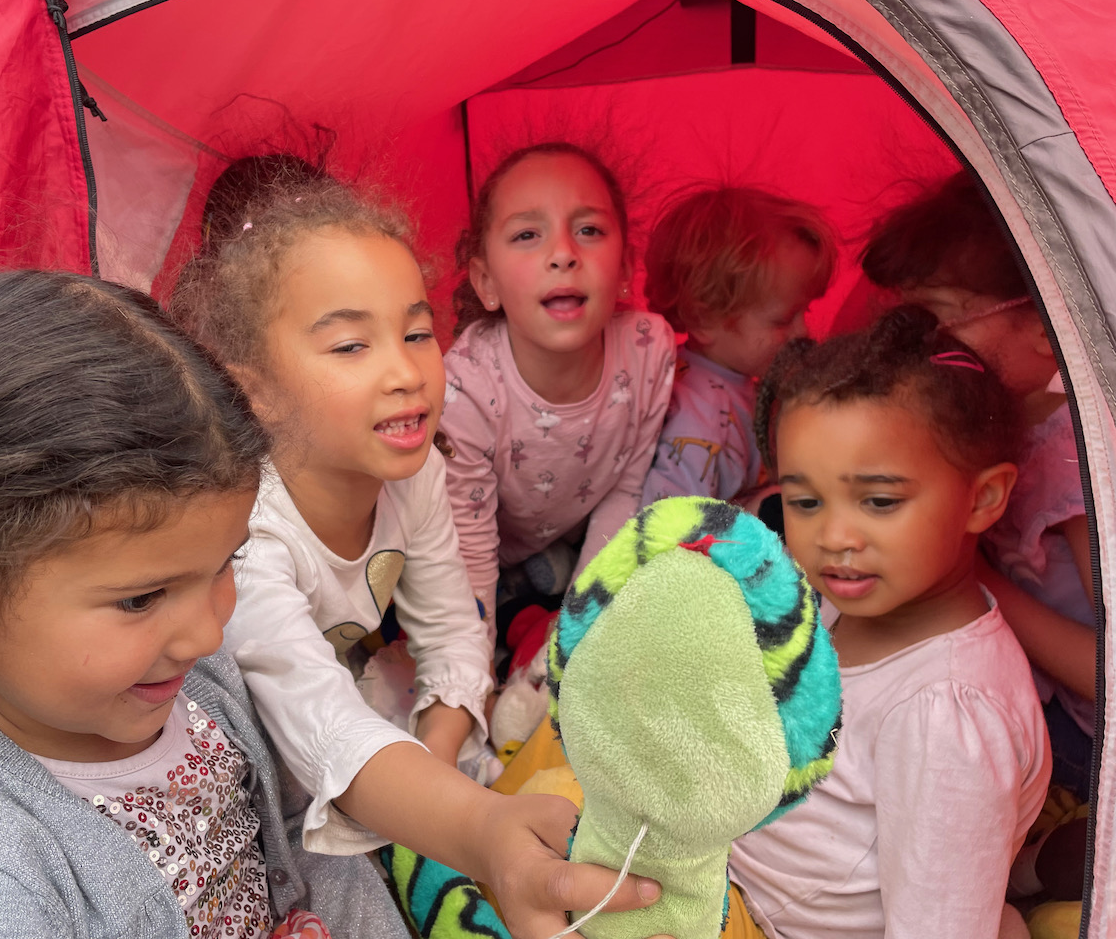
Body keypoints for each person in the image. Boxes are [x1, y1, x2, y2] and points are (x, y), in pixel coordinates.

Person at [0, 270, 404, 938]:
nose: (205, 636)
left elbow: (299, 830)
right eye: (139, 599)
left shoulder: (187, 682)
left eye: (227, 563)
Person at [170, 179, 662, 939]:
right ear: (254, 390)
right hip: (255, 762)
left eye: (418, 333)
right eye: (351, 346)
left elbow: (454, 629)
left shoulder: (418, 470)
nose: (405, 372)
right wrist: (467, 825)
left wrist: (437, 762)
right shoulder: (245, 533)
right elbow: (320, 723)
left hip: (363, 711)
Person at [724, 305, 1049, 938]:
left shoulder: (944, 715)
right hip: (732, 873)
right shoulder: (842, 597)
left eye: (879, 501)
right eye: (805, 501)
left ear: (983, 498)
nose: (835, 536)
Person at [861, 170, 1096, 801]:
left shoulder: (1078, 464)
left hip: (1086, 734)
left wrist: (977, 582)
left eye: (939, 317)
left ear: (1045, 326)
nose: (923, 343)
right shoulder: (994, 420)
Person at [440, 142, 676, 625]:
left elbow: (624, 493)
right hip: (458, 558)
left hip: (557, 541)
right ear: (486, 282)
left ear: (626, 267)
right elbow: (468, 553)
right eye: (527, 234)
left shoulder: (649, 350)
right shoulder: (464, 389)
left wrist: (577, 632)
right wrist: (474, 669)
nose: (564, 253)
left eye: (589, 230)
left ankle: (542, 579)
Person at [639, 186, 836, 506]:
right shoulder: (696, 419)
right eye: (783, 319)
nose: (803, 331)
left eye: (807, 311)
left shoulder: (738, 381)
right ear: (704, 320)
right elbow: (669, 526)